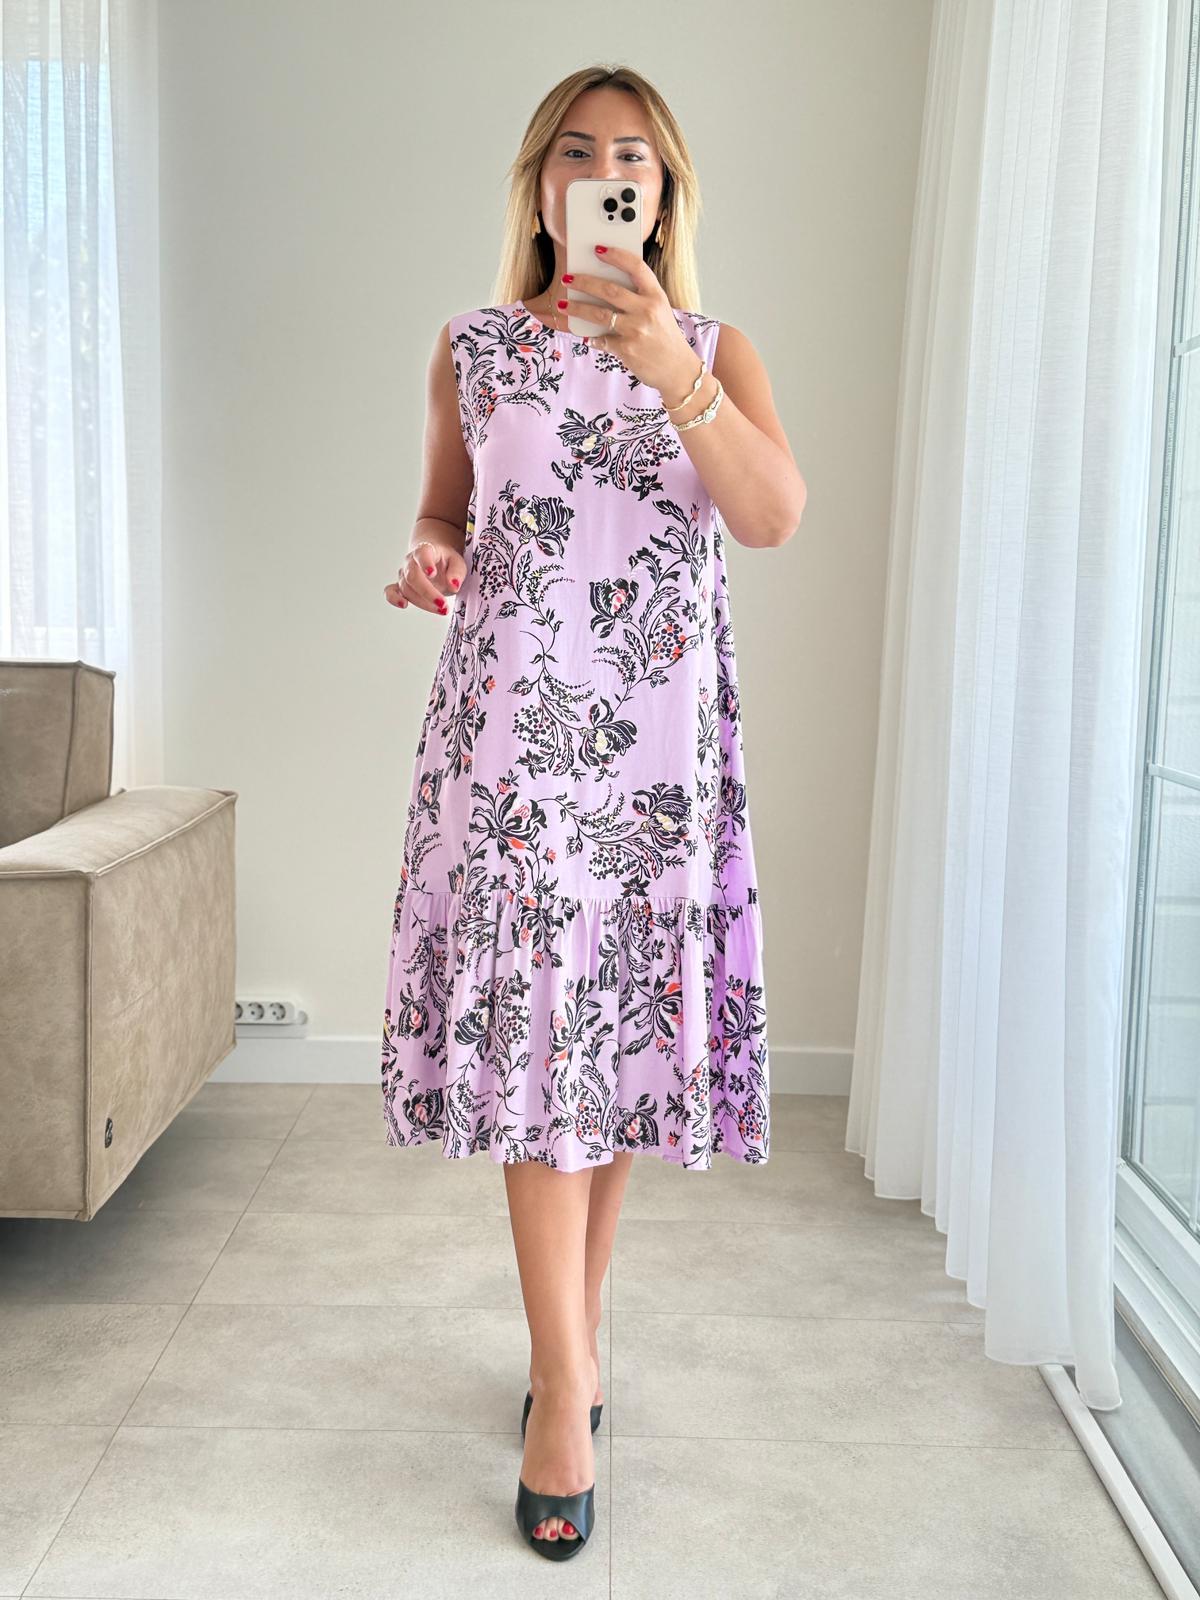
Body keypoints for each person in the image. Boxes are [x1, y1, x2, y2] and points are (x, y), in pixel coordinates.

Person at [380, 64, 805, 1561]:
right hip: (515, 753)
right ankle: (564, 1388)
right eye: (576, 151)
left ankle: (577, 1338)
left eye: (632, 154)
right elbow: (447, 513)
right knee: (540, 1054)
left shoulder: (715, 349)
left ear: (662, 192)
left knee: (612, 1044)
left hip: (658, 753)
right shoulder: (475, 348)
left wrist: (669, 365)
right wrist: (433, 557)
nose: (604, 172)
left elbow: (769, 515)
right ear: (542, 186)